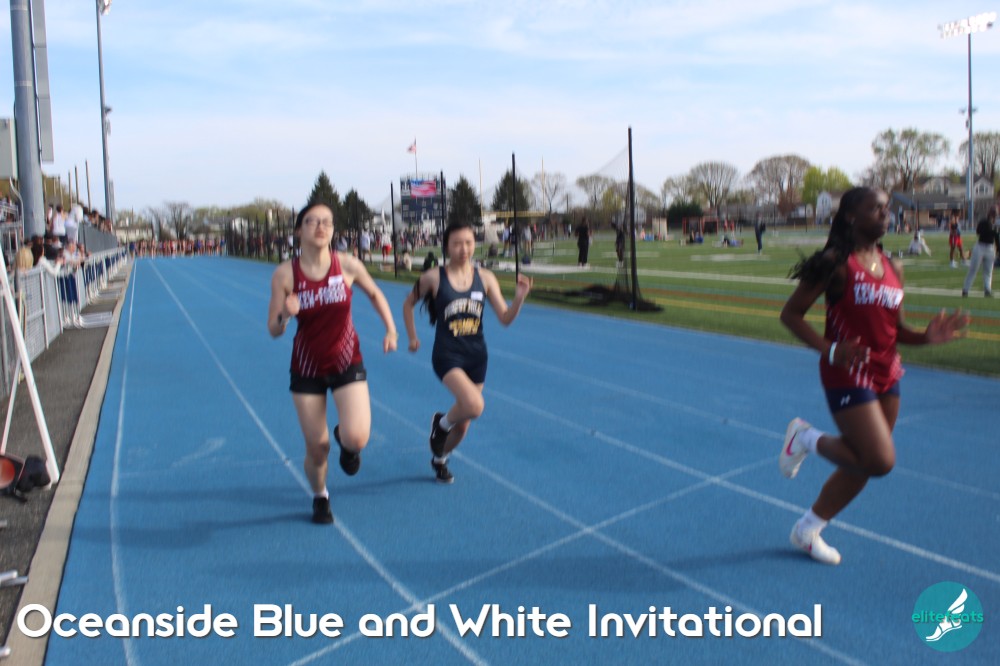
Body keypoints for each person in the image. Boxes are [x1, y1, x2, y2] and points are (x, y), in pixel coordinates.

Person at [778, 186, 969, 565]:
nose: (887, 215)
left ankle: (808, 529)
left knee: (864, 461)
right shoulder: (836, 263)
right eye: (877, 209)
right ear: (851, 216)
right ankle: (805, 437)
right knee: (879, 460)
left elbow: (894, 330)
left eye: (887, 209)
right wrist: (832, 350)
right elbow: (791, 315)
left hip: (888, 373)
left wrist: (925, 337)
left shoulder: (893, 267)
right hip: (847, 372)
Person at [268, 202, 398, 524]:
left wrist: (391, 329)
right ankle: (320, 496)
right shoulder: (286, 274)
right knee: (317, 448)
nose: (321, 227)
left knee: (357, 438)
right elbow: (273, 328)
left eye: (326, 221)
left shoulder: (348, 265)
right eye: (312, 221)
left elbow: (374, 293)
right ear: (299, 230)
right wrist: (285, 314)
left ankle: (347, 444)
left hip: (346, 360)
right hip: (307, 368)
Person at [402, 220, 532, 484]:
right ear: (446, 246)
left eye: (469, 243)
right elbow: (408, 304)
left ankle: (440, 459)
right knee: (474, 406)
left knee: (463, 424)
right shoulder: (433, 277)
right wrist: (413, 337)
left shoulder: (485, 278)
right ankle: (440, 425)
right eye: (457, 244)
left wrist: (519, 298)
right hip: (447, 355)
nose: (464, 249)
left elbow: (505, 318)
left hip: (476, 356)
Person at [961, 207, 998, 297]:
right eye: (993, 213)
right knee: (973, 269)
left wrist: (998, 249)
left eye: (995, 214)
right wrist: (990, 230)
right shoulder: (984, 222)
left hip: (990, 247)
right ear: (990, 213)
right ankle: (965, 289)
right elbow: (978, 232)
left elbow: (997, 237)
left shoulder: (995, 224)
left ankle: (987, 289)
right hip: (980, 246)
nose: (994, 215)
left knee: (988, 271)